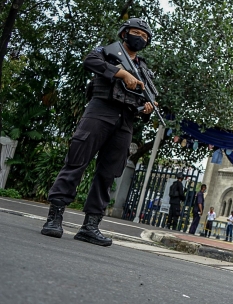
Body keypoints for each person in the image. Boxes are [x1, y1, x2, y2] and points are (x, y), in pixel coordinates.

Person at [41, 18, 156, 247]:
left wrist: (147, 109)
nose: (140, 38)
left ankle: (90, 226)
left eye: (144, 36)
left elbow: (144, 102)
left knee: (108, 173)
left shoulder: (144, 69)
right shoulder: (106, 52)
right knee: (76, 161)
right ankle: (54, 218)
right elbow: (90, 61)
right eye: (136, 33)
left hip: (125, 121)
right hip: (100, 111)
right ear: (124, 34)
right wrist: (121, 74)